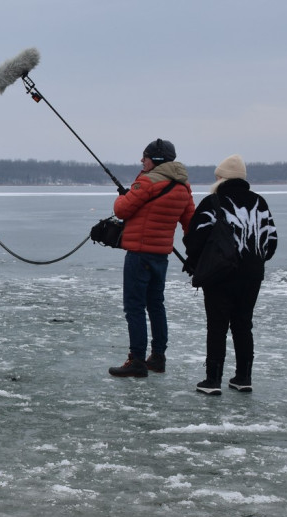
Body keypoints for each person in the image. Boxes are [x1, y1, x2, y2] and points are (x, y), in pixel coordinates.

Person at [184, 154, 277, 395]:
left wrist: (196, 262)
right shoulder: (260, 203)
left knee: (217, 327)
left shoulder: (213, 202)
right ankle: (243, 378)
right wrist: (253, 262)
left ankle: (212, 380)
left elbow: (194, 240)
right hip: (252, 276)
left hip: (220, 275)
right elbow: (272, 242)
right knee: (243, 325)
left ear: (221, 177)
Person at [108, 139, 195, 378]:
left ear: (154, 160)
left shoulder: (147, 182)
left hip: (139, 253)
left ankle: (136, 360)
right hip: (161, 256)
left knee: (134, 307)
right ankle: (157, 357)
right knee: (156, 305)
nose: (141, 161)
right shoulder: (183, 187)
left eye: (144, 158)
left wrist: (122, 197)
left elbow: (122, 210)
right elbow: (191, 224)